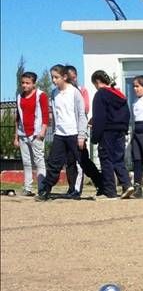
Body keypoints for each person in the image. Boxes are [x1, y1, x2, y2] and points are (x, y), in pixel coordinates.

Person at [35, 64, 88, 201]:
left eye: (56, 77)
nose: (53, 80)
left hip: (74, 133)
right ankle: (45, 190)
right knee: (54, 163)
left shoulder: (75, 92)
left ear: (64, 77)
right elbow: (55, 112)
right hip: (59, 134)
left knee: (77, 163)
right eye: (52, 77)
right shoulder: (54, 94)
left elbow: (82, 114)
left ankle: (75, 190)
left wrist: (81, 135)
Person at [90, 70, 134, 199]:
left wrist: (95, 136)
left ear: (97, 82)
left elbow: (99, 117)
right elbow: (127, 114)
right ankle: (127, 184)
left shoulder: (101, 94)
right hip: (120, 130)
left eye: (95, 84)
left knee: (106, 159)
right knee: (118, 159)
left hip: (107, 131)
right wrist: (124, 129)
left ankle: (110, 191)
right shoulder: (120, 95)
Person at [64, 65, 102, 197]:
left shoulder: (81, 90)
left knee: (82, 160)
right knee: (69, 161)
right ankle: (72, 187)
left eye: (74, 77)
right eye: (70, 78)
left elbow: (85, 108)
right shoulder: (60, 92)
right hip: (65, 131)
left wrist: (82, 134)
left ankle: (97, 183)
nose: (73, 80)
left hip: (78, 131)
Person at [14, 71, 49, 197]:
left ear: (34, 83)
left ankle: (42, 188)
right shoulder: (19, 97)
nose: (24, 85)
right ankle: (28, 188)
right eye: (23, 83)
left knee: (39, 161)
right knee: (27, 162)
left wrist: (43, 131)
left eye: (27, 83)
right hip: (23, 134)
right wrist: (16, 136)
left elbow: (45, 115)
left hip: (36, 134)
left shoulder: (41, 95)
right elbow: (17, 117)